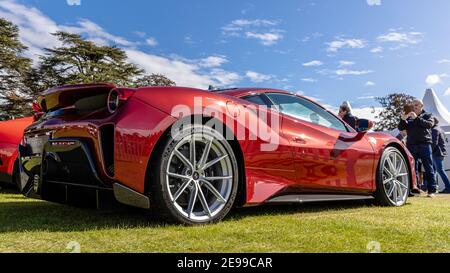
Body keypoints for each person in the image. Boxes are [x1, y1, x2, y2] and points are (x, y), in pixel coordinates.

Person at [398, 99, 437, 198]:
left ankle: (431, 190)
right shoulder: (409, 117)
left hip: (424, 144)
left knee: (428, 167)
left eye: (416, 105)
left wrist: (416, 118)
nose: (414, 107)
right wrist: (403, 119)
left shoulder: (428, 115)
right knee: (412, 168)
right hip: (411, 145)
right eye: (412, 105)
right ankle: (414, 189)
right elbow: (401, 127)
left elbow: (429, 125)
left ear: (421, 106)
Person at [431, 117, 450, 194]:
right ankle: (434, 187)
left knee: (440, 171)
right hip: (439, 152)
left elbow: (433, 143)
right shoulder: (440, 129)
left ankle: (448, 187)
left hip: (437, 153)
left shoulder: (434, 130)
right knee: (435, 171)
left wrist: (429, 151)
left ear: (434, 122)